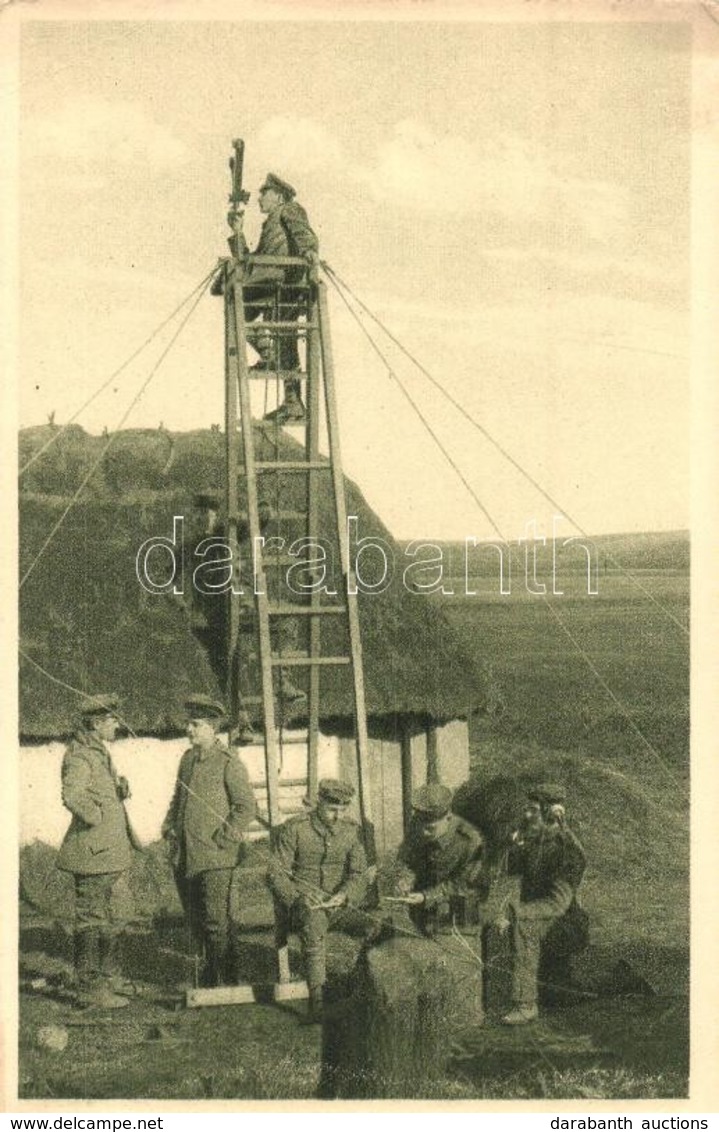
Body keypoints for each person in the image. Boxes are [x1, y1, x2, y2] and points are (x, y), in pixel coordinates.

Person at [162, 694, 256, 987]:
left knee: (217, 922)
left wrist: (225, 838)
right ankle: (207, 977)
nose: (189, 730)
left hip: (216, 857)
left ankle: (227, 980)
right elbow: (178, 798)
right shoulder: (187, 759)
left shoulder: (229, 763)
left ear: (212, 728)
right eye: (189, 724)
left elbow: (246, 807)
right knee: (195, 920)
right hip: (186, 855)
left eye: (196, 725)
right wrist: (168, 824)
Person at [56, 694, 142, 1009]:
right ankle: (89, 990)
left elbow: (96, 791)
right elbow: (72, 794)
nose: (118, 724)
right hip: (93, 853)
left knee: (119, 912)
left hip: (110, 853)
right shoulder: (80, 756)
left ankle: (109, 978)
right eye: (113, 720)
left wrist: (117, 790)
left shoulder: (99, 753)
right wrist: (98, 817)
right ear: (96, 723)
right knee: (91, 919)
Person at [267, 778, 369, 1022]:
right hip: (303, 907)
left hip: (339, 904)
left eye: (343, 810)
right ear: (319, 803)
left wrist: (346, 894)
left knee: (373, 925)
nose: (337, 816)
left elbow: (359, 874)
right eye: (332, 810)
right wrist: (297, 897)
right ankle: (318, 1003)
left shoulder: (351, 831)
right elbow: (275, 874)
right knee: (314, 924)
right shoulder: (295, 829)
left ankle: (363, 991)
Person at [496, 783, 586, 1025]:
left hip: (564, 924)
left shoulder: (566, 850)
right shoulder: (533, 842)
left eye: (533, 811)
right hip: (541, 918)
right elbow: (509, 876)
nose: (526, 815)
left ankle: (526, 1005)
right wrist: (513, 846)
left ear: (549, 814)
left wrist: (518, 912)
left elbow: (558, 904)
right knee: (560, 993)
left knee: (525, 925)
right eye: (527, 809)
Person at [242, 172, 320, 424]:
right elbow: (251, 258)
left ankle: (270, 358)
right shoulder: (271, 222)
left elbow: (304, 234)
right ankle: (292, 402)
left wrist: (309, 251)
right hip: (273, 281)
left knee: (241, 315)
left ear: (279, 196)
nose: (259, 198)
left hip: (280, 281)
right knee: (284, 340)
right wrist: (237, 232)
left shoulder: (290, 210)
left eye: (264, 192)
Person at [393, 783, 486, 936]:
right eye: (420, 825)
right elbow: (406, 859)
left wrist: (426, 896)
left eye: (430, 828)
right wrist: (404, 880)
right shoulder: (417, 825)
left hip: (456, 916)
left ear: (448, 818)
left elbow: (464, 883)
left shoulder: (470, 840)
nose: (423, 832)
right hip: (420, 910)